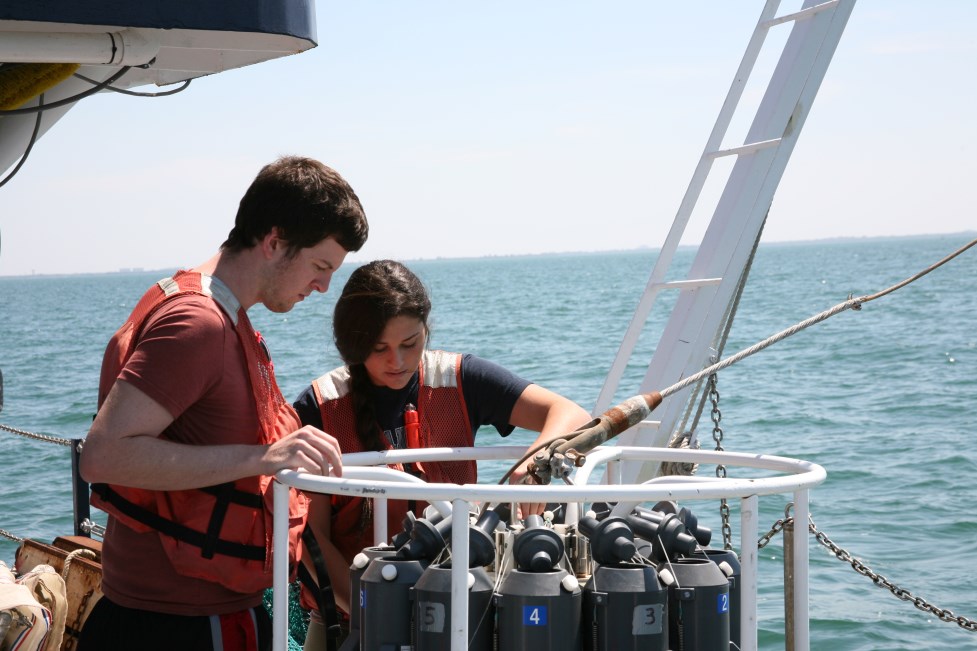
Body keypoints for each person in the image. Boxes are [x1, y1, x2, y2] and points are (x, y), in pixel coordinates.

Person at [77, 156, 369, 651]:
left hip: (186, 617)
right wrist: (265, 458)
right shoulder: (199, 324)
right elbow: (102, 456)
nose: (323, 287)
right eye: (320, 267)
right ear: (274, 241)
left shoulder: (219, 315)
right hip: (179, 627)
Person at [293, 259, 592, 647]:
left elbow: (571, 413)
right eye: (379, 347)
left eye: (410, 343)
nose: (396, 362)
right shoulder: (318, 407)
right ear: (353, 344)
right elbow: (310, 538)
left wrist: (536, 464)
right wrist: (382, 607)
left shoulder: (462, 379)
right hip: (351, 620)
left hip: (460, 613)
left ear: (426, 330)